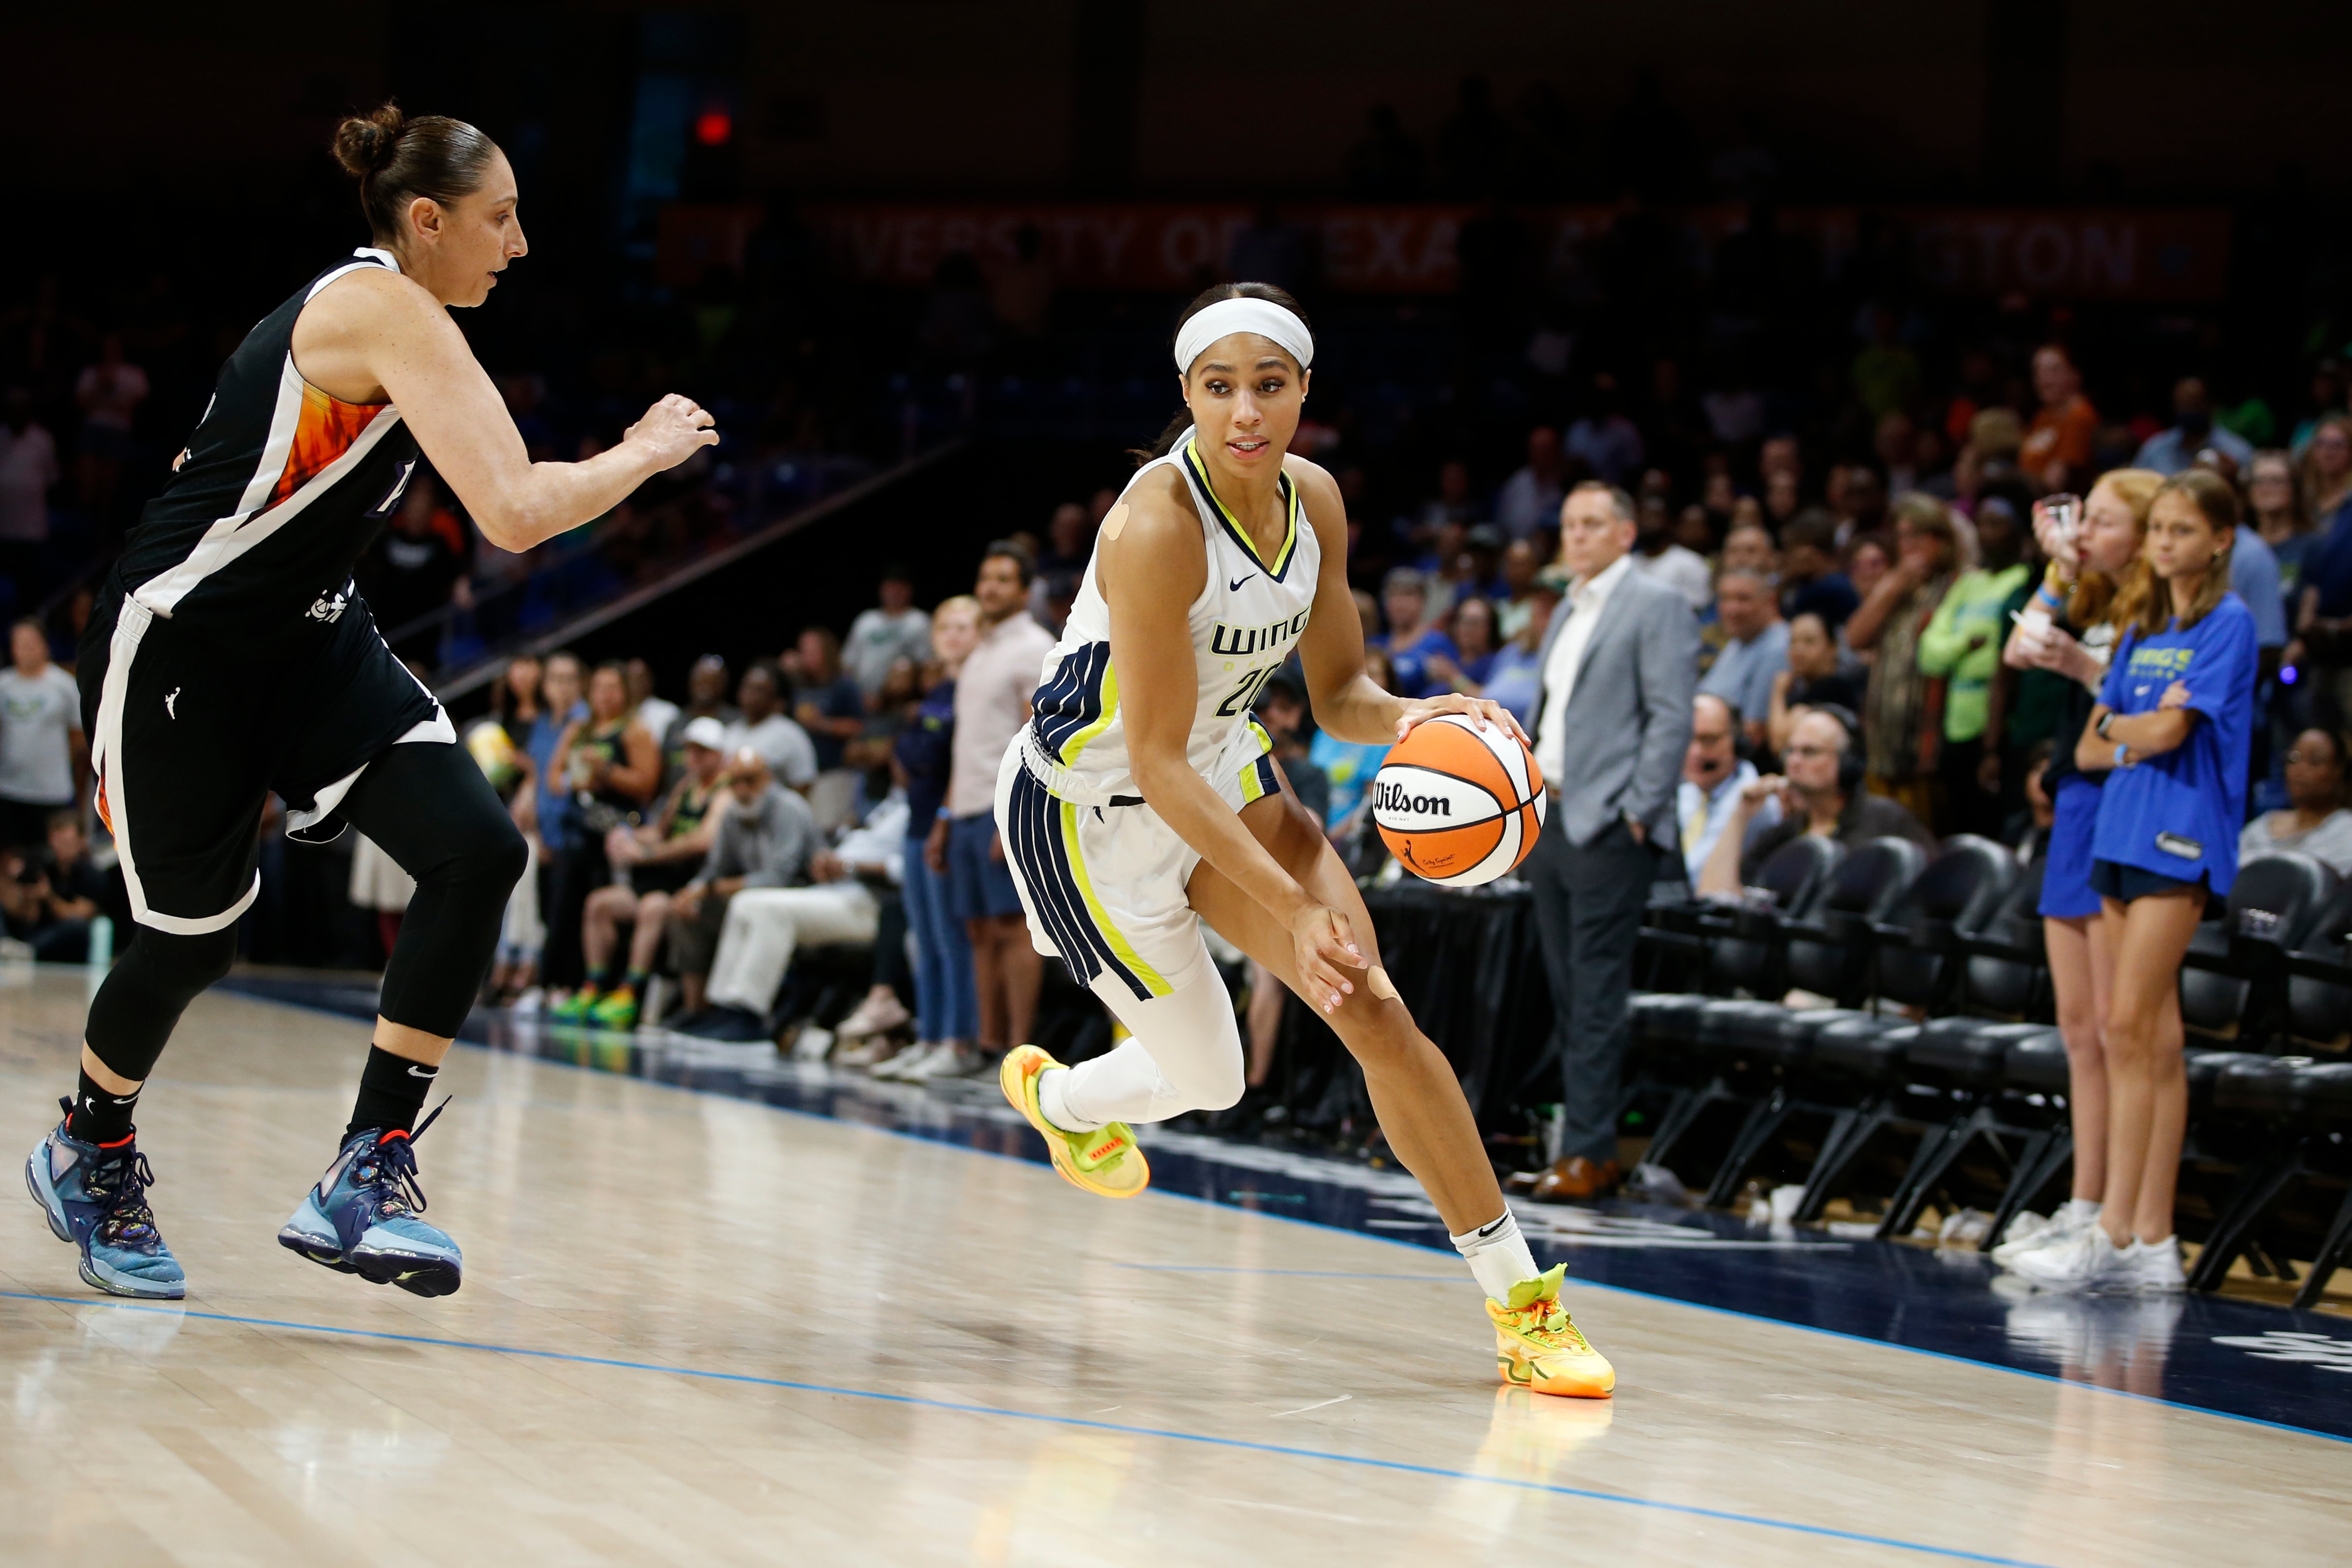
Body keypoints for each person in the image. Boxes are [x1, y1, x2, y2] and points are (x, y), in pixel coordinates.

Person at [24, 103, 714, 1303]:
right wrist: (645, 450)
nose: (521, 242)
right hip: (186, 643)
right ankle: (90, 1143)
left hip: (312, 637)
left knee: (476, 847)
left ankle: (367, 1163)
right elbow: (512, 511)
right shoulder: (379, 305)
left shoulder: (412, 317)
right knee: (194, 938)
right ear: (428, 219)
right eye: (500, 217)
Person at [995, 282, 1615, 1398]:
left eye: (1268, 385)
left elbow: (1337, 696)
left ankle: (1524, 1302)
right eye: (1220, 387)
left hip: (1222, 773)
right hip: (1086, 814)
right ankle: (1062, 1102)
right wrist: (1290, 907)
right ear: (1186, 394)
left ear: (1303, 392)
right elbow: (1152, 761)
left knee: (1370, 1004)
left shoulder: (1314, 501)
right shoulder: (1154, 528)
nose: (1245, 411)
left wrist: (1424, 715)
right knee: (1212, 1079)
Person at [2014, 469, 2258, 1293]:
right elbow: (2095, 739)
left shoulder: (2228, 622)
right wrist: (2132, 729)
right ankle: (2146, 1236)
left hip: (2179, 833)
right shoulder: (2144, 626)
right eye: (2158, 531)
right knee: (2141, 1036)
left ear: (2219, 540)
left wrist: (2133, 726)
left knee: (2128, 1024)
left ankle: (2118, 1228)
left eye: (2182, 532)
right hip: (2118, 824)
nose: (2164, 545)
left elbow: (2170, 728)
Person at [1992, 471, 2163, 1272]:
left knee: (2110, 1020)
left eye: (2100, 519)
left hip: (2117, 793)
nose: (2084, 528)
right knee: (2076, 1024)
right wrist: (2058, 569)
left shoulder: (2154, 611)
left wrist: (2079, 664)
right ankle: (2084, 1198)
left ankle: (2114, 1213)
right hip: (2073, 794)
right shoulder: (2087, 591)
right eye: (2080, 516)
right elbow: (2017, 646)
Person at [1524, 481, 1696, 1204]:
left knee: (1595, 992)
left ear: (1626, 534)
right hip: (1554, 816)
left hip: (1607, 823)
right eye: (1569, 525)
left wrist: (1637, 810)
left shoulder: (1656, 604)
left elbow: (1670, 715)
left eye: (1593, 524)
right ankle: (1576, 1145)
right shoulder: (1568, 604)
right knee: (1568, 992)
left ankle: (1593, 1154)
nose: (1578, 537)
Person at [926, 542, 1054, 1078]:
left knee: (1012, 928)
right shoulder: (977, 652)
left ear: (1024, 591)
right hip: (967, 808)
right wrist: (945, 818)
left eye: (1003, 579)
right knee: (979, 929)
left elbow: (1042, 732)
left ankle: (1019, 1052)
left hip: (1007, 810)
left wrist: (1017, 815)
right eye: (986, 578)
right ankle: (987, 1043)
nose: (991, 588)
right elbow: (969, 745)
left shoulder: (1035, 646)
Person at [694, 791, 909, 1043]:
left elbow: (905, 868)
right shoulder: (890, 802)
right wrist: (827, 862)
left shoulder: (922, 809)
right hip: (835, 891)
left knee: (769, 910)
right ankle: (725, 1008)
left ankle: (749, 1016)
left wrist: (850, 867)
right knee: (745, 903)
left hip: (874, 902)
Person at [564, 716, 733, 1031]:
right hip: (661, 874)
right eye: (691, 751)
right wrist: (627, 836)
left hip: (694, 880)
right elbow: (661, 831)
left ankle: (630, 994)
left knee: (652, 908)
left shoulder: (725, 792)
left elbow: (701, 841)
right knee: (599, 904)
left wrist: (647, 855)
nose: (694, 758)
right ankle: (594, 986)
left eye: (703, 752)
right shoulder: (686, 786)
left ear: (720, 755)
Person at [875, 598, 980, 1075]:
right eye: (947, 627)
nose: (954, 635)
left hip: (945, 822)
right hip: (915, 825)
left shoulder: (973, 690)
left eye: (964, 627)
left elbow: (957, 762)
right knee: (925, 939)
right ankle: (929, 1034)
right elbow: (906, 758)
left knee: (951, 939)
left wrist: (943, 815)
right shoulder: (938, 691)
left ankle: (958, 1040)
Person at [1698, 707, 1935, 895]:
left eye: (1809, 752)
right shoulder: (1786, 833)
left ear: (1849, 763)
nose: (1794, 762)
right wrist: (1741, 815)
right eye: (1790, 751)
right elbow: (1715, 896)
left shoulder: (1885, 820)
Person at [665, 751, 818, 1020]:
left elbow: (781, 879)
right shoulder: (731, 814)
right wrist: (692, 891)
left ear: (768, 778)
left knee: (738, 904)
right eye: (734, 782)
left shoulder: (789, 809)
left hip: (799, 896)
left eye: (750, 780)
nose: (742, 789)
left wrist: (714, 889)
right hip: (746, 896)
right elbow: (714, 870)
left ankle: (737, 1013)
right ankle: (696, 1009)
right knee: (689, 910)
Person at [541, 661, 661, 994]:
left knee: (598, 903)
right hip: (578, 833)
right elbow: (553, 778)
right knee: (564, 907)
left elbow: (647, 784)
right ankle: (556, 983)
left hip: (615, 835)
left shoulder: (635, 730)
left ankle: (595, 983)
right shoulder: (578, 729)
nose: (605, 695)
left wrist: (607, 771)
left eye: (613, 688)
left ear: (625, 693)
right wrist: (576, 779)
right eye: (599, 687)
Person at [1917, 495, 2033, 837]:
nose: (1987, 533)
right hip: (1955, 721)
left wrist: (1955, 648)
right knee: (1957, 821)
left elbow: (2000, 652)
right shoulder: (1967, 582)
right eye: (1982, 524)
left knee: (1992, 822)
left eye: (1997, 523)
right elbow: (1928, 654)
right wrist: (1967, 644)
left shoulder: (2022, 581)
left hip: (1998, 722)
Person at [1847, 494, 1959, 823]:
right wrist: (1894, 585)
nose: (1909, 546)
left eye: (1918, 536)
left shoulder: (1957, 585)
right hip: (1883, 738)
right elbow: (1855, 638)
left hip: (1925, 738)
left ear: (1941, 539)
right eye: (1903, 537)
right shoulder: (1897, 589)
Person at [0, 617, 85, 851]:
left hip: (52, 791)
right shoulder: (3, 686)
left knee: (51, 856)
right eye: (20, 644)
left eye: (31, 643)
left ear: (45, 645)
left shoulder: (64, 685)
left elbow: (80, 734)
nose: (26, 650)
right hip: (9, 788)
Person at [2, 811, 124, 963]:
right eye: (57, 841)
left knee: (76, 927)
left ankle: (28, 950)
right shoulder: (44, 866)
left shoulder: (92, 874)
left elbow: (79, 915)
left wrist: (48, 896)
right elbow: (28, 915)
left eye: (67, 842)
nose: (61, 848)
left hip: (73, 937)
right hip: (42, 928)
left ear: (80, 841)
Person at [1677, 693, 1773, 886]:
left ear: (1739, 744)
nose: (1696, 752)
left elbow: (1694, 877)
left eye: (1709, 740)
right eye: (1689, 739)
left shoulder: (1758, 803)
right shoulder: (1686, 793)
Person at [2239, 727, 2352, 875]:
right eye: (2294, 758)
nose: (2300, 769)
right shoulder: (2259, 828)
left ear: (2338, 770)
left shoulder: (2345, 831)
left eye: (2314, 761)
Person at [1697, 569, 1786, 753]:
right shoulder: (1739, 639)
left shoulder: (1777, 648)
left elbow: (1754, 732)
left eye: (1743, 599)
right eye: (1725, 599)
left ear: (1770, 601)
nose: (1732, 609)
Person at [1766, 611, 1864, 755]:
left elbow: (1779, 744)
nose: (1799, 650)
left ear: (1833, 647)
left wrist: (1778, 693)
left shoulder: (1834, 687)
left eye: (1809, 641)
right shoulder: (1802, 688)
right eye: (1793, 642)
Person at [0, 389, 61, 590]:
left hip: (32, 531)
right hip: (4, 528)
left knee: (29, 587)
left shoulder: (42, 440)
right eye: (12, 409)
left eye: (21, 409)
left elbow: (52, 479)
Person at [722, 662, 818, 790]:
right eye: (747, 688)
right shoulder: (730, 733)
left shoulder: (790, 733)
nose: (750, 696)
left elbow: (804, 781)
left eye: (759, 690)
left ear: (774, 698)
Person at [2132, 376, 2255, 476]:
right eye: (2182, 405)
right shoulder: (2155, 449)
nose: (2188, 410)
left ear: (2210, 404)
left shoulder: (2237, 451)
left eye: (2194, 405)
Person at [843, 566, 931, 700]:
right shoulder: (866, 620)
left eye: (899, 588)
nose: (894, 593)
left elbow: (926, 665)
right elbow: (848, 664)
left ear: (910, 590)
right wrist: (855, 697)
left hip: (901, 703)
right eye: (890, 588)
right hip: (862, 701)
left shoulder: (919, 622)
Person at [2019, 344, 2098, 493]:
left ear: (2075, 375)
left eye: (2053, 371)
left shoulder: (2080, 415)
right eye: (2038, 372)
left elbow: (2054, 483)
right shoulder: (2042, 417)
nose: (2044, 379)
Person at [1375, 566, 1457, 697]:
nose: (1400, 603)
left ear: (1423, 601)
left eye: (1408, 595)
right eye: (1394, 595)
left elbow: (1448, 688)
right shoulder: (1376, 645)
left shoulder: (1438, 644)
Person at [1628, 491, 1713, 611]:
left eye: (1654, 516)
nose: (1648, 523)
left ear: (1670, 522)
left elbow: (1699, 606)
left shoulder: (1691, 563)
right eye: (1644, 517)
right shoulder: (1628, 563)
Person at [1777, 510, 1859, 632]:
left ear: (1811, 554)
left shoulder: (1829, 588)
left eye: (1792, 549)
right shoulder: (1805, 583)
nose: (1787, 557)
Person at [1494, 425, 1564, 543]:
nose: (1540, 455)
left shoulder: (1564, 484)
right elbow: (1501, 523)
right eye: (1536, 450)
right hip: (1515, 549)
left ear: (1556, 452)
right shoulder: (1517, 482)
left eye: (1545, 450)